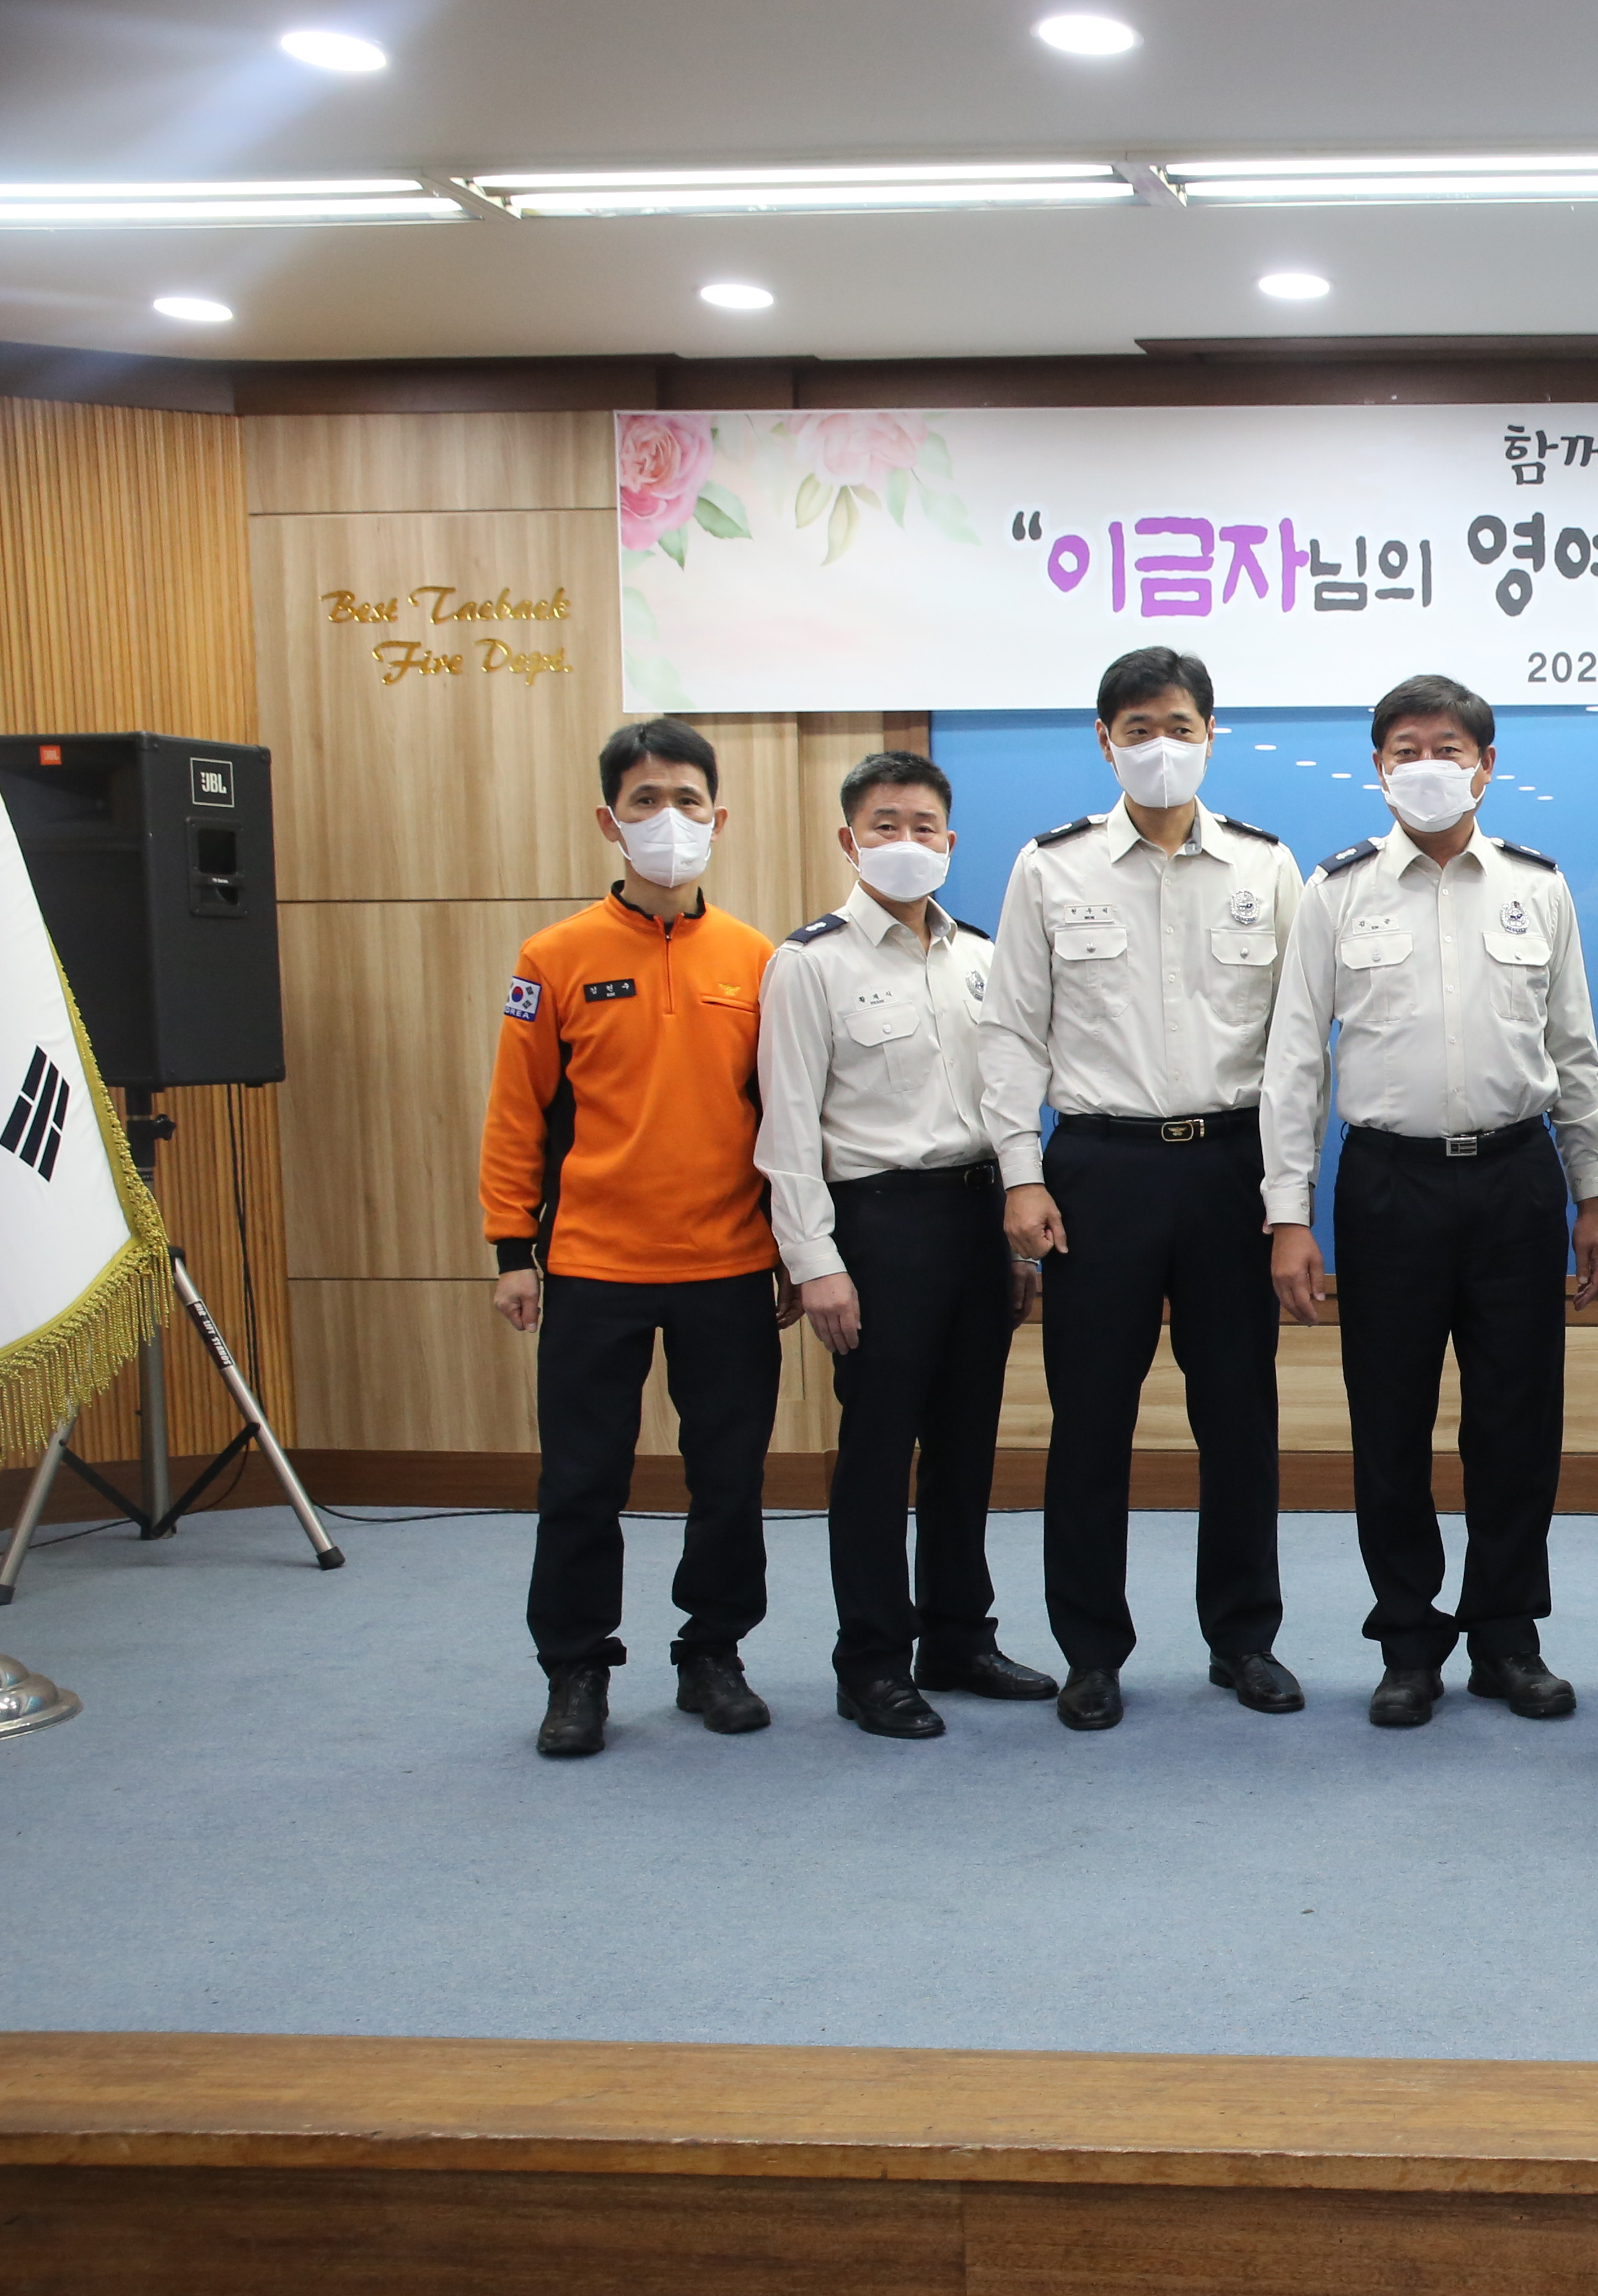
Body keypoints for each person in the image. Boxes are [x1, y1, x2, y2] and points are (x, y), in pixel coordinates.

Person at [1263, 675, 1598, 1729]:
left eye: (1448, 748)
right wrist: (1290, 1213)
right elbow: (1295, 1062)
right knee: (1391, 1421)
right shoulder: (1336, 891)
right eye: (1405, 749)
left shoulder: (1538, 887)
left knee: (1517, 1423)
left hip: (1515, 1180)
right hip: (1389, 1185)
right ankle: (1408, 1642)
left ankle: (1507, 1639)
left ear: (1486, 766)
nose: (1427, 766)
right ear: (1379, 768)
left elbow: (1575, 1051)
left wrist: (1592, 1195)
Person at [979, 646, 1307, 1733]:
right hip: (1098, 1169)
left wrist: (1287, 1197)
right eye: (1136, 729)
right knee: (1090, 1420)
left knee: (1239, 1414)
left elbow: (1296, 1047)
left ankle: (1243, 1639)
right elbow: (1011, 1032)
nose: (1159, 747)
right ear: (1104, 741)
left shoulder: (1267, 866)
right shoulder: (1051, 868)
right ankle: (1091, 1651)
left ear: (1212, 735)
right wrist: (1021, 1173)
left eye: (1178, 726)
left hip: (1228, 1166)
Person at [483, 718, 792, 1759]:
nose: (670, 819)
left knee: (730, 1479)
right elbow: (517, 1114)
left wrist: (794, 1248)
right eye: (646, 801)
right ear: (609, 821)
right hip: (593, 1266)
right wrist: (511, 1251)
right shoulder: (555, 957)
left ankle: (714, 1654)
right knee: (581, 1482)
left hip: (729, 1264)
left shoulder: (757, 960)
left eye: (687, 801)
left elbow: (783, 1119)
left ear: (719, 818)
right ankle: (575, 1668)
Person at [755, 750, 1057, 1741]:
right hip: (877, 1227)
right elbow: (786, 1130)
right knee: (879, 1454)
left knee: (967, 1446)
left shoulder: (982, 959)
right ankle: (873, 1662)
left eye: (924, 826)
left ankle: (959, 1639)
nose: (906, 842)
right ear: (849, 840)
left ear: (950, 841)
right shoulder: (810, 963)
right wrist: (815, 1261)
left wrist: (1016, 1245)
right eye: (884, 825)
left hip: (977, 1219)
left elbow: (1007, 1104)